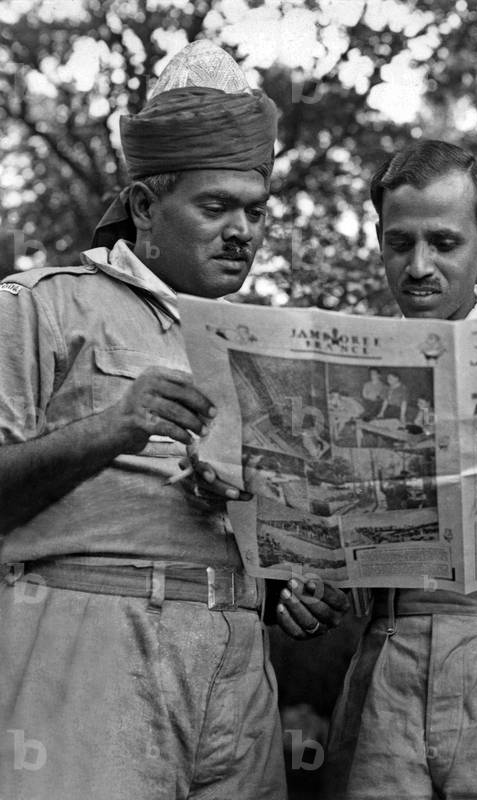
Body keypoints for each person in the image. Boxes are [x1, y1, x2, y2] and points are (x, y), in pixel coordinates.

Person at [0, 41, 288, 799]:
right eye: (215, 206)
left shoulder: (269, 343)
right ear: (144, 206)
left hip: (240, 650)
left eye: (255, 210)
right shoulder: (41, 305)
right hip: (88, 641)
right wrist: (112, 428)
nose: (242, 231)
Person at [278, 139, 477, 799]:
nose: (418, 266)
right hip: (389, 643)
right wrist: (313, 588)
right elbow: (325, 546)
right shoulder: (344, 383)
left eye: (443, 243)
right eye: (398, 243)